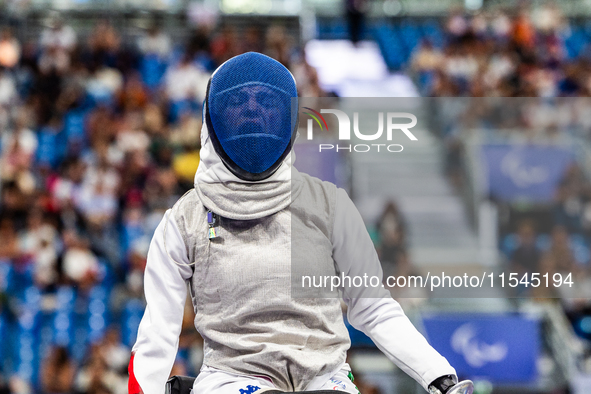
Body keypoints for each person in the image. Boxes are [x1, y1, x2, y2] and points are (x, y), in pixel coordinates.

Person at [128, 52, 473, 394]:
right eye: (238, 100)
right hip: (231, 379)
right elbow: (158, 330)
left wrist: (438, 376)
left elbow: (373, 305)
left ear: (287, 116)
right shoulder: (183, 220)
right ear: (212, 114)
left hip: (324, 378)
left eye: (265, 100)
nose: (252, 109)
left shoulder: (329, 205)